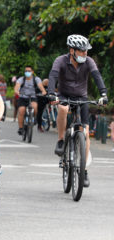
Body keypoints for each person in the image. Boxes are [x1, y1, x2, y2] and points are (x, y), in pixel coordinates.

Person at [48, 34, 107, 187]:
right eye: (82, 51)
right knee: (62, 108)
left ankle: (83, 170)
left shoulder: (89, 62)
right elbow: (53, 76)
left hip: (81, 98)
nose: (85, 54)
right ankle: (61, 140)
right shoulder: (60, 61)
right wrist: (51, 93)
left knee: (85, 132)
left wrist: (104, 94)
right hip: (64, 95)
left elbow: (97, 77)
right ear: (72, 50)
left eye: (86, 51)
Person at [14, 65, 46, 135]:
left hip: (33, 97)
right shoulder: (21, 79)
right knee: (21, 110)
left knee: (34, 107)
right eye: (26, 71)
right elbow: (17, 87)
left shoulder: (36, 79)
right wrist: (17, 91)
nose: (27, 72)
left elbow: (40, 86)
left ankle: (33, 118)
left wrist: (43, 91)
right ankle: (21, 128)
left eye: (29, 71)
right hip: (22, 97)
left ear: (32, 72)